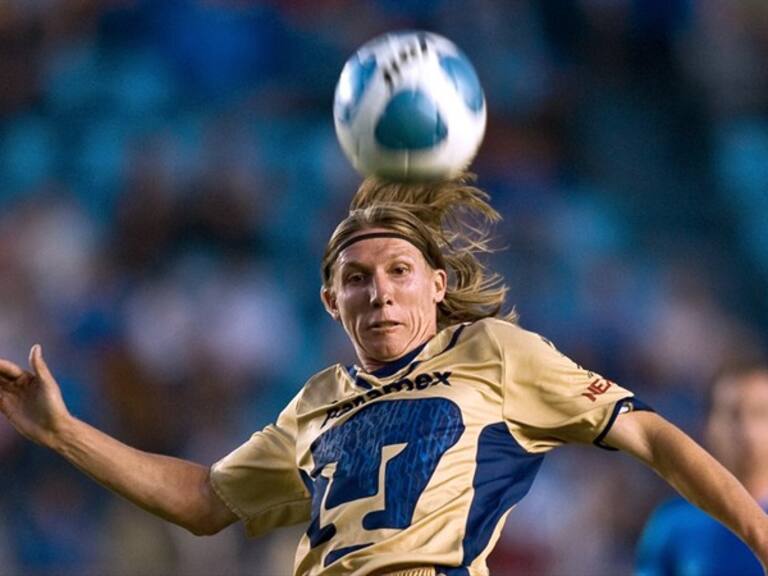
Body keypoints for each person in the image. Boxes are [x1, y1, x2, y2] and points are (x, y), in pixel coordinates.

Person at [0, 175, 767, 576]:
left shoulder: (495, 353)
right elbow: (204, 501)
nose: (380, 290)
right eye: (357, 277)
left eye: (400, 269)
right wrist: (64, 434)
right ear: (332, 301)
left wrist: (758, 527)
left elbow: (651, 434)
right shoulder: (316, 403)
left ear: (437, 284)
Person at [636, 361, 768, 576]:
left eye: (761, 413)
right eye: (733, 414)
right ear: (709, 425)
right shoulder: (674, 524)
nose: (747, 431)